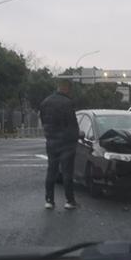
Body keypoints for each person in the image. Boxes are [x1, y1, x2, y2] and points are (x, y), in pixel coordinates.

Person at [39, 79, 78, 210]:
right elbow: (72, 124)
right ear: (67, 88)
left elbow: (43, 121)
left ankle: (49, 200)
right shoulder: (68, 103)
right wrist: (75, 137)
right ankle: (69, 201)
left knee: (51, 170)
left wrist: (49, 135)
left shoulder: (45, 102)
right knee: (67, 172)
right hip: (66, 142)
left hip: (51, 141)